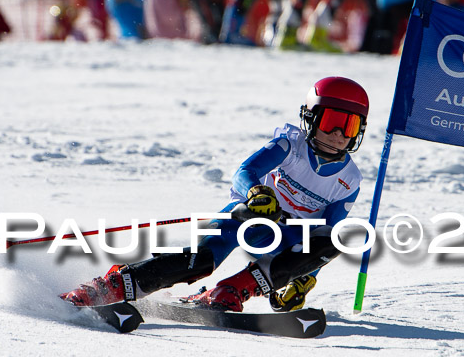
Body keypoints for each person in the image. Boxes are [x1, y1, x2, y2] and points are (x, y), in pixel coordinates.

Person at [61, 77, 369, 313]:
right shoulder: (290, 146)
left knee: (335, 239)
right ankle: (111, 286)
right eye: (332, 122)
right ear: (312, 118)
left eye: (350, 126)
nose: (339, 135)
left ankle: (231, 291)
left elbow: (326, 234)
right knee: (202, 260)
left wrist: (304, 275)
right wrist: (256, 192)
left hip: (289, 240)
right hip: (253, 218)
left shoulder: (349, 180)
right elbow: (244, 172)